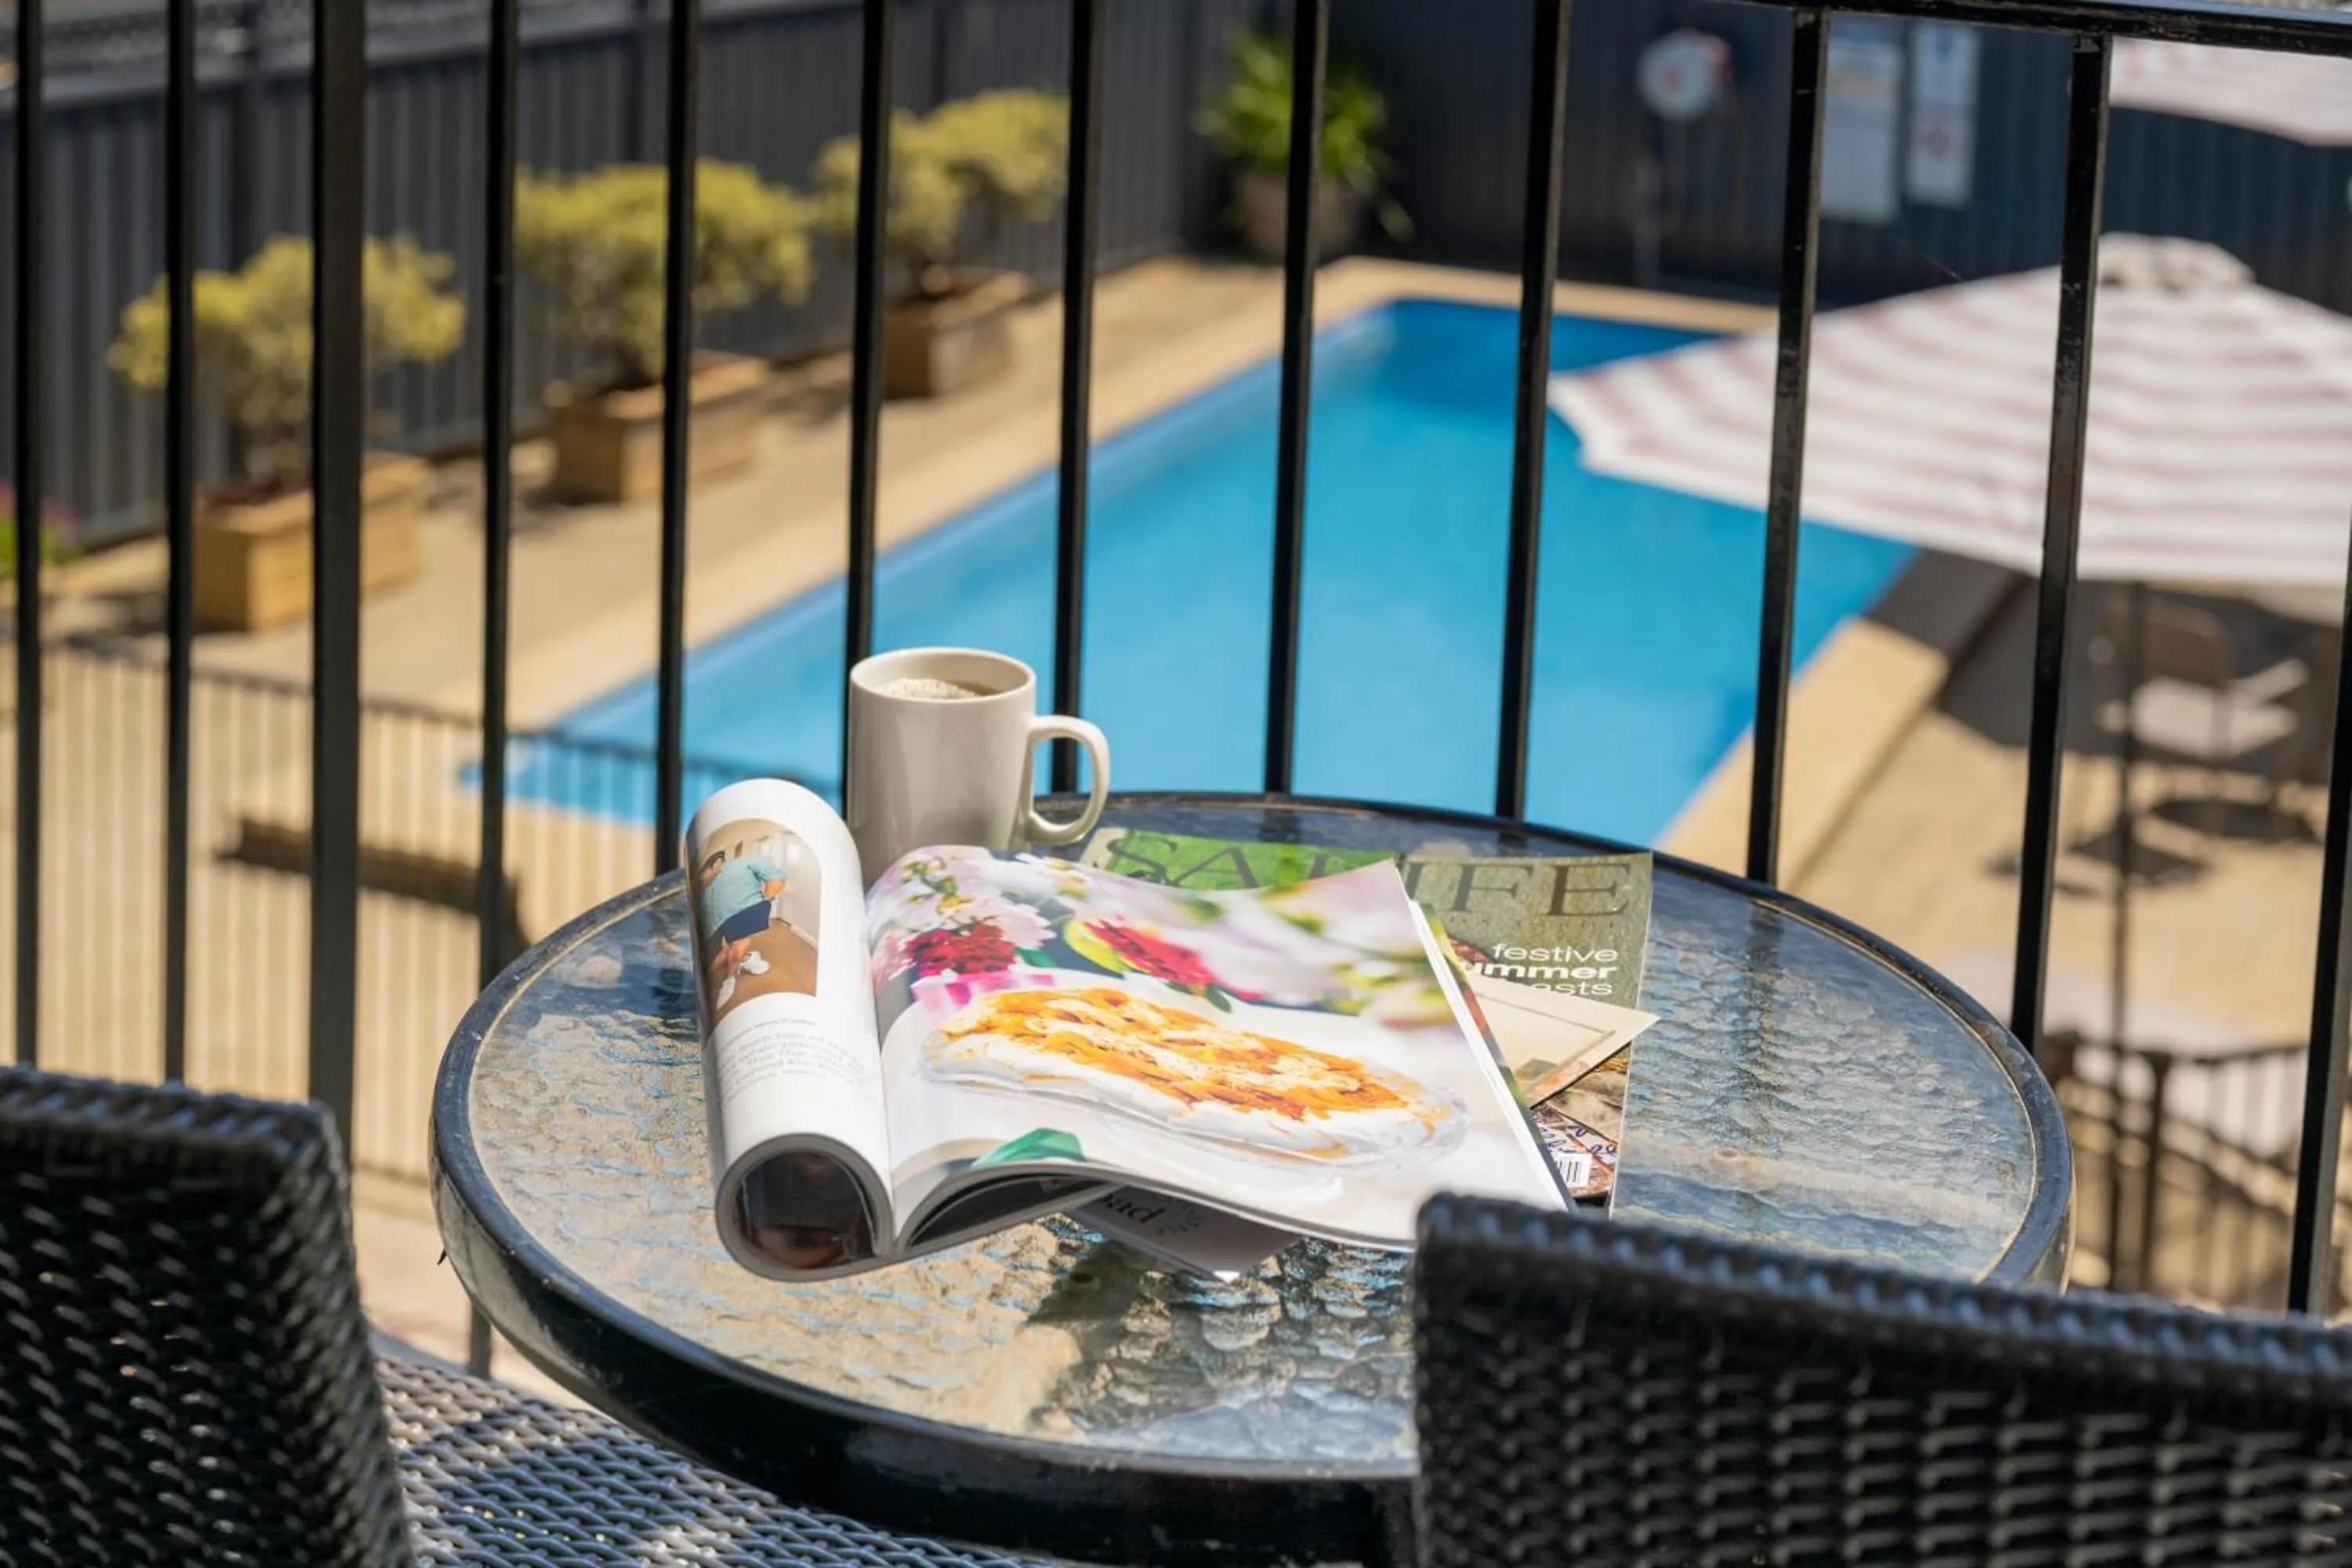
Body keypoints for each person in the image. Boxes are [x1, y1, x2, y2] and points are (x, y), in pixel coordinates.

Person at [695, 847, 786, 1009]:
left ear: (716, 863)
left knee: (735, 948)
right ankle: (746, 959)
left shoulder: (744, 864)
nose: (701, 880)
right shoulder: (709, 890)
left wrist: (765, 898)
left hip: (744, 912)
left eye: (702, 875)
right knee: (723, 952)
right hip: (717, 925)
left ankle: (730, 979)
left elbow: (776, 879)